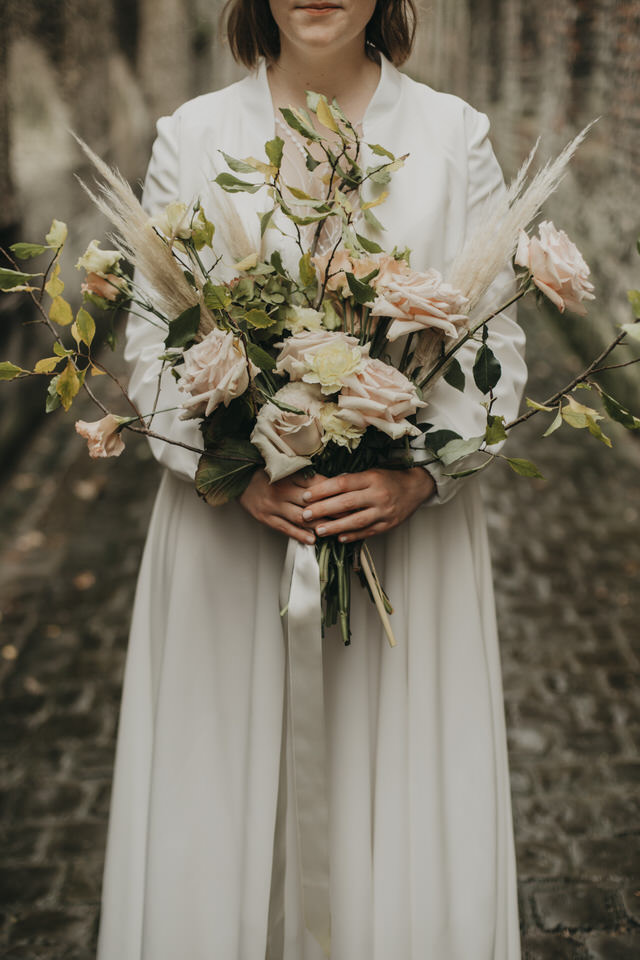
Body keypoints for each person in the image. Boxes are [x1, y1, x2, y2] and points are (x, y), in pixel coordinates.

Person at [96, 2, 527, 958]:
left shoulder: (455, 138)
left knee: (396, 791)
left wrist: (419, 479)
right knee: (222, 797)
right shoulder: (193, 136)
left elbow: (498, 344)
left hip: (402, 553)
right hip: (232, 545)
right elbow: (148, 347)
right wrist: (231, 465)